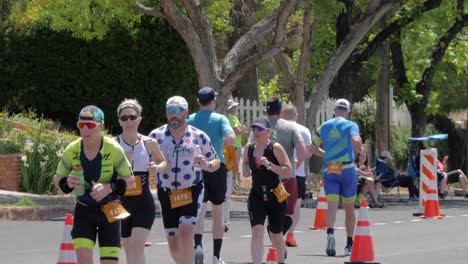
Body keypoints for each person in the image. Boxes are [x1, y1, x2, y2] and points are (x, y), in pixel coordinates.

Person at [53, 105, 134, 264]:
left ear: (101, 126)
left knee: (109, 261)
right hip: (84, 209)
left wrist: (109, 187)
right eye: (80, 125)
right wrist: (66, 182)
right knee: (83, 258)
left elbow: (130, 180)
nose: (85, 130)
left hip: (111, 209)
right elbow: (57, 178)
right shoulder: (73, 148)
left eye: (89, 125)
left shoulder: (113, 148)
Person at [149, 96, 220, 264]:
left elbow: (216, 161)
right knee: (174, 247)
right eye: (170, 111)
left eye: (178, 111)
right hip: (166, 192)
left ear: (186, 113)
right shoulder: (155, 136)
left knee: (187, 234)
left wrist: (207, 164)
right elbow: (142, 159)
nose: (174, 115)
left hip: (191, 190)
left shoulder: (199, 136)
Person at [115, 99, 168, 264]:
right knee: (129, 247)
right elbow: (104, 174)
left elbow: (164, 162)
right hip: (119, 202)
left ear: (139, 119)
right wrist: (122, 163)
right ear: (119, 121)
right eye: (124, 118)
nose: (128, 121)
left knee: (137, 246)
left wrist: (156, 168)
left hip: (143, 202)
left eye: (132, 117)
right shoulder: (113, 144)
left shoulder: (149, 143)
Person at [186, 87, 236, 264]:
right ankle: (216, 256)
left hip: (195, 168)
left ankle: (198, 246)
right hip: (216, 166)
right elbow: (230, 138)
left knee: (199, 210)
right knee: (218, 212)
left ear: (199, 102)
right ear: (214, 101)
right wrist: (225, 138)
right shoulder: (220, 119)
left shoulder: (190, 119)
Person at [248, 97, 306, 246]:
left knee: (264, 215)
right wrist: (296, 164)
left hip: (263, 179)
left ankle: (276, 237)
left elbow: (250, 148)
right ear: (280, 111)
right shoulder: (291, 127)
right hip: (286, 178)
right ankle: (278, 237)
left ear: (266, 111)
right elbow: (302, 150)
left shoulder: (258, 128)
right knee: (289, 212)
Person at [310, 98, 363, 256]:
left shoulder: (324, 126)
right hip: (347, 168)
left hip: (330, 168)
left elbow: (312, 147)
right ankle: (349, 244)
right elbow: (355, 141)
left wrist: (325, 154)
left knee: (332, 206)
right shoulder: (351, 125)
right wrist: (360, 148)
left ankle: (330, 233)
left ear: (334, 110)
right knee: (349, 209)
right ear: (347, 111)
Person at [242, 117, 292, 264]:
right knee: (257, 232)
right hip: (256, 194)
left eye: (259, 129)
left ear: (268, 131)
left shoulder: (275, 148)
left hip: (275, 195)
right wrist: (245, 170)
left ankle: (281, 261)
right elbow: (245, 163)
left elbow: (288, 171)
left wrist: (270, 165)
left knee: (276, 235)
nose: (255, 132)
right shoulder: (249, 148)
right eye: (253, 128)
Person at [281, 105, 312, 247]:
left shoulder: (278, 129)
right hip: (297, 174)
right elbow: (308, 153)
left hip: (280, 173)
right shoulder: (304, 130)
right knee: (295, 208)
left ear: (282, 115)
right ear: (296, 115)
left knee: (278, 203)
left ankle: (276, 231)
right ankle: (289, 234)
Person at [223, 99, 245, 232]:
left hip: (232, 147)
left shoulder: (227, 118)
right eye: (234, 107)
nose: (235, 108)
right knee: (233, 161)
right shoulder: (232, 118)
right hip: (234, 145)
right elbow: (237, 132)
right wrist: (243, 129)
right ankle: (225, 220)